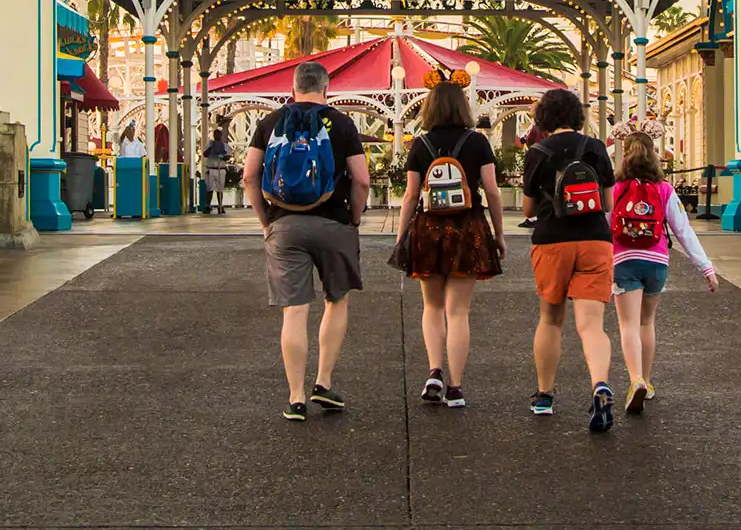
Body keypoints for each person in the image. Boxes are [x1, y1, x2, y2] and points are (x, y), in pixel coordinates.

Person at [244, 62, 370, 422]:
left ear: (294, 87)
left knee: (295, 311)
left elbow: (250, 175)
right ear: (326, 88)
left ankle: (295, 398)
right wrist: (354, 219)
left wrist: (266, 220)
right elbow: (361, 180)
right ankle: (323, 383)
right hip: (334, 224)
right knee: (336, 300)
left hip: (285, 225)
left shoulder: (271, 123)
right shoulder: (342, 123)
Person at [396, 82, 505, 408]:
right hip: (468, 229)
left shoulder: (421, 144)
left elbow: (411, 195)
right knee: (458, 311)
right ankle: (456, 387)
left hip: (429, 229)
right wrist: (498, 235)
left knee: (432, 307)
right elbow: (492, 191)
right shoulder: (477, 142)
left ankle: (434, 370)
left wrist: (402, 237)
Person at [522, 87, 618, 431]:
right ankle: (600, 384)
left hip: (552, 241)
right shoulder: (595, 148)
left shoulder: (537, 152)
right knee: (592, 324)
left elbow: (529, 208)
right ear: (577, 116)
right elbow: (607, 203)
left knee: (550, 319)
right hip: (594, 240)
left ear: (543, 119)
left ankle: (545, 396)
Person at [610, 132, 717, 415]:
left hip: (624, 260)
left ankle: (635, 380)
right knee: (647, 322)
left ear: (625, 154)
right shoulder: (664, 189)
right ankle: (647, 380)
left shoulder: (616, 188)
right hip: (656, 261)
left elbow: (603, 225)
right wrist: (706, 267)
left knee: (628, 325)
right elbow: (683, 230)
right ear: (653, 154)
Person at [201, 126, 231, 215]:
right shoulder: (210, 144)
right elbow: (205, 154)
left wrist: (223, 156)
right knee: (209, 188)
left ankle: (220, 206)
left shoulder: (225, 146)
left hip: (220, 169)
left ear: (221, 135)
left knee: (219, 189)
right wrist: (211, 148)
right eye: (215, 134)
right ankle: (208, 206)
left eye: (218, 134)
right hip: (211, 169)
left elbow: (228, 156)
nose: (216, 136)